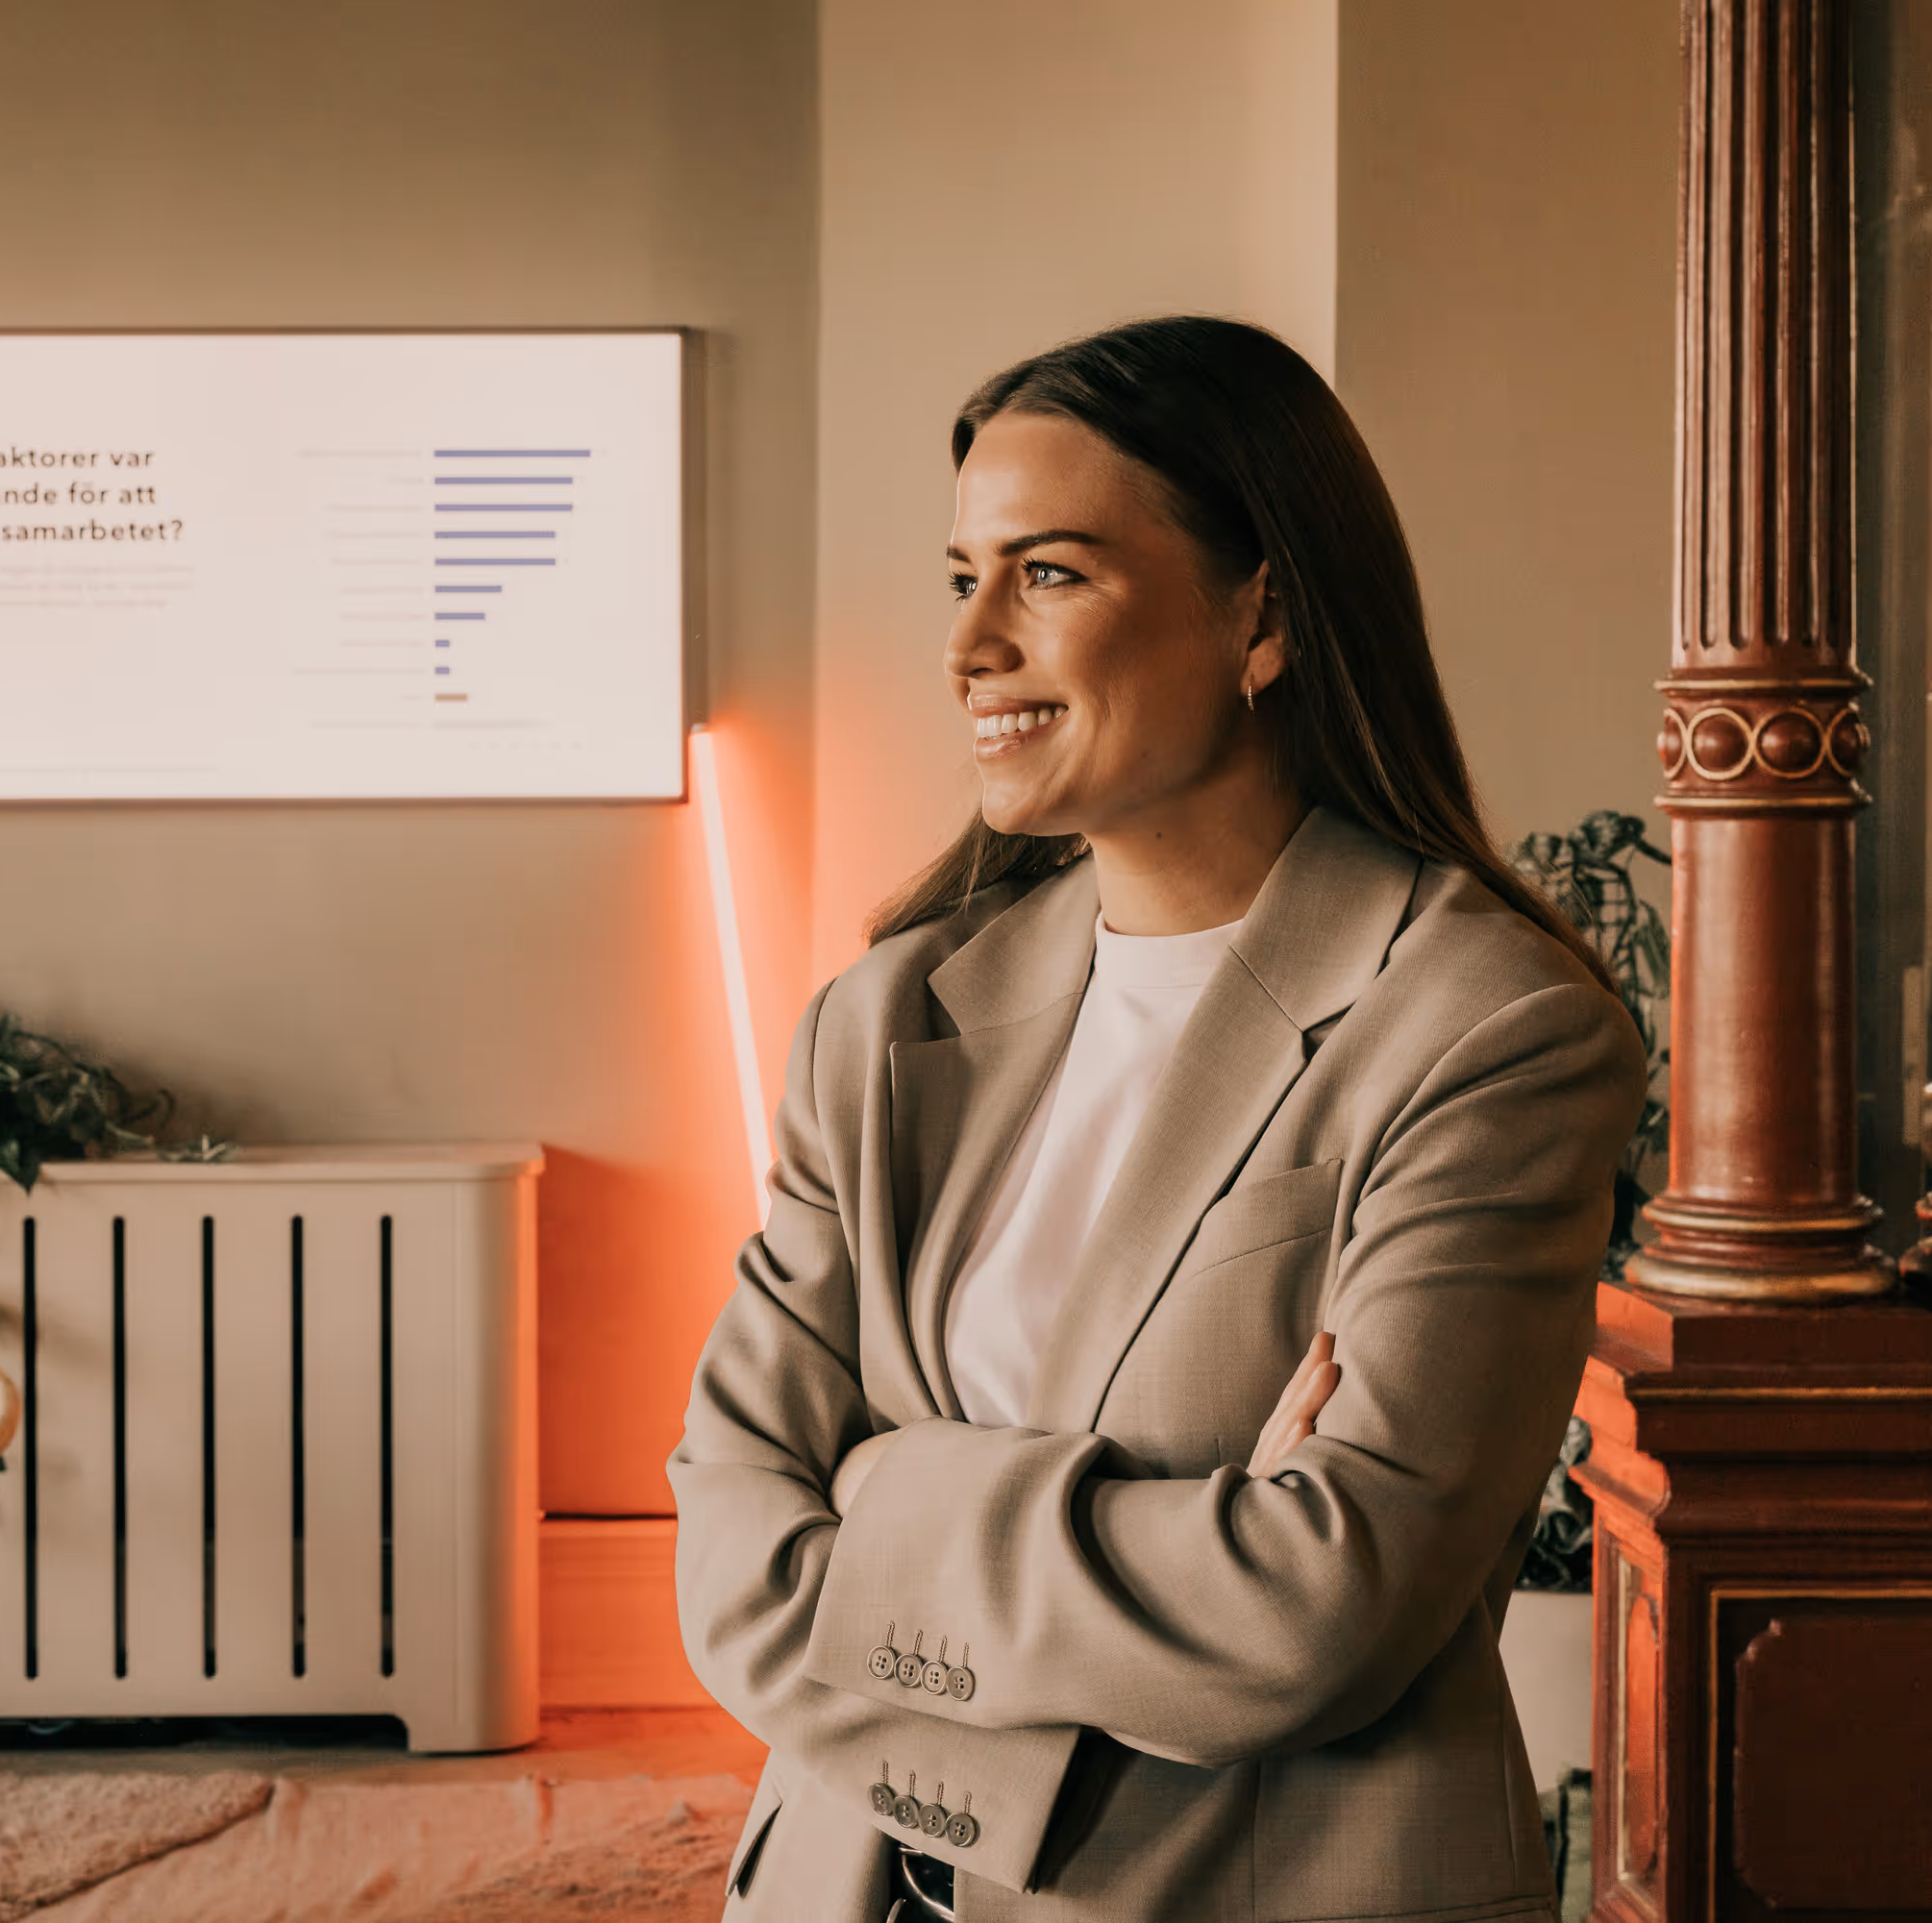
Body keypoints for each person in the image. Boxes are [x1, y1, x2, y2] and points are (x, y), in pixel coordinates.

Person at [672, 315, 1647, 1923]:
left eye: (1049, 573)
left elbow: (1316, 1608)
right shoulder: (884, 1019)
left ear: (1261, 613)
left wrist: (879, 1492)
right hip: (851, 1882)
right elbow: (726, 1558)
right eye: (961, 576)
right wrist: (1170, 1543)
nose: (971, 641)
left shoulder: (1489, 1030)